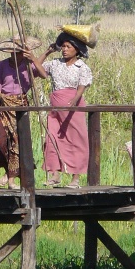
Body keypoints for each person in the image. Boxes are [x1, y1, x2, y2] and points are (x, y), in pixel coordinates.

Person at [35, 32, 92, 188]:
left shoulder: (82, 67)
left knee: (76, 140)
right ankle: (55, 173)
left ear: (77, 50)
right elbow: (36, 70)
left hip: (72, 106)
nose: (65, 50)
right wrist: (47, 52)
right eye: (63, 47)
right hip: (55, 106)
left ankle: (75, 177)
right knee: (52, 138)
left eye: (68, 47)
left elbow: (82, 86)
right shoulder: (55, 64)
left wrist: (74, 101)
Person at [0, 36, 41, 190]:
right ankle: (8, 171)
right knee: (1, 142)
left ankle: (12, 178)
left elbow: (42, 74)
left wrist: (33, 58)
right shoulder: (2, 65)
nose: (14, 55)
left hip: (20, 105)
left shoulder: (28, 65)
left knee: (17, 143)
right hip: (4, 106)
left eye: (17, 52)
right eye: (12, 52)